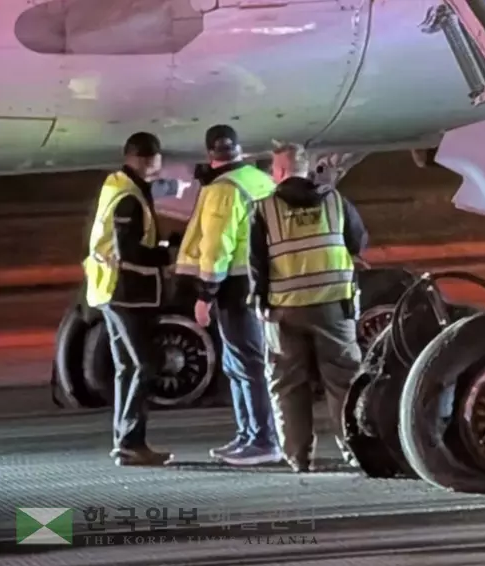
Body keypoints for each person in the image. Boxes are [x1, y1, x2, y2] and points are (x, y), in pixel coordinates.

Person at [249, 142, 369, 473]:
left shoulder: (264, 210)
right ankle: (357, 450)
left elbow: (257, 264)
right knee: (343, 382)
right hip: (333, 306)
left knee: (288, 385)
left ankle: (299, 457)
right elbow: (359, 242)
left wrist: (259, 302)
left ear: (281, 171)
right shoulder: (334, 201)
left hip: (285, 311)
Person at [175, 124, 282, 466]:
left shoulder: (223, 189)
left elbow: (216, 247)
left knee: (245, 363)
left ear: (210, 154)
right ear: (238, 148)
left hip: (234, 287)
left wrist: (205, 294)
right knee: (244, 361)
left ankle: (262, 439)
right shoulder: (260, 179)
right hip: (260, 281)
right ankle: (250, 434)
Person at [83, 132, 173, 466]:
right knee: (145, 364)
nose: (152, 165)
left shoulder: (118, 185)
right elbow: (129, 251)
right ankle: (132, 441)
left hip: (110, 290)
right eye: (148, 159)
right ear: (136, 160)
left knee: (127, 367)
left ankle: (125, 442)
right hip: (126, 293)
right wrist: (166, 257)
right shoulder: (129, 198)